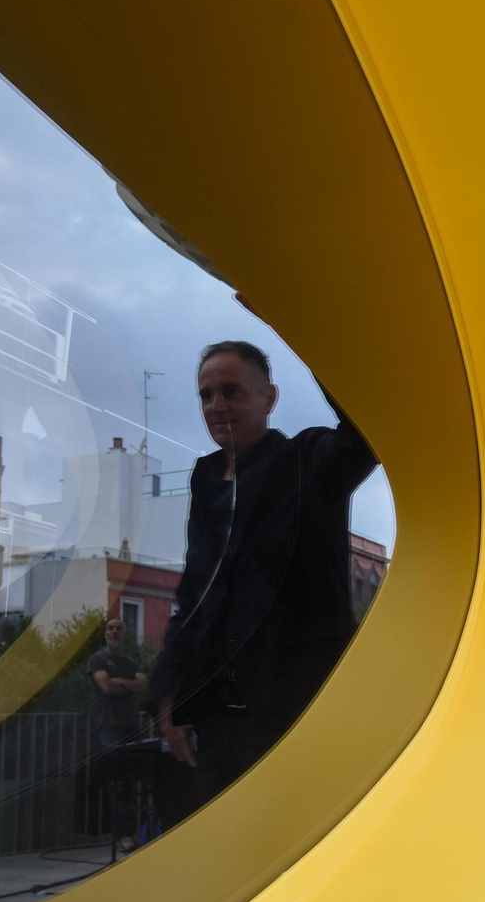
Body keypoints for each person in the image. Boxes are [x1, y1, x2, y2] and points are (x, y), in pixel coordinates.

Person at [147, 333, 377, 822]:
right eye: (205, 395)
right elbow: (195, 594)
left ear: (269, 398)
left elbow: (368, 430)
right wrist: (169, 694)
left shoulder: (310, 459)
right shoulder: (206, 478)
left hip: (295, 710)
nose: (216, 405)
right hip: (217, 718)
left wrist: (304, 328)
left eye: (231, 391)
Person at [89, 615, 146, 850]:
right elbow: (106, 687)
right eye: (110, 628)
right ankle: (122, 835)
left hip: (131, 726)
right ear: (105, 634)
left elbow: (143, 686)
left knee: (132, 783)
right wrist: (127, 684)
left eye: (118, 629)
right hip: (109, 727)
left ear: (124, 634)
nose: (114, 632)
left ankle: (131, 833)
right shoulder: (97, 659)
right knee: (116, 781)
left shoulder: (131, 663)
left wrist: (119, 681)